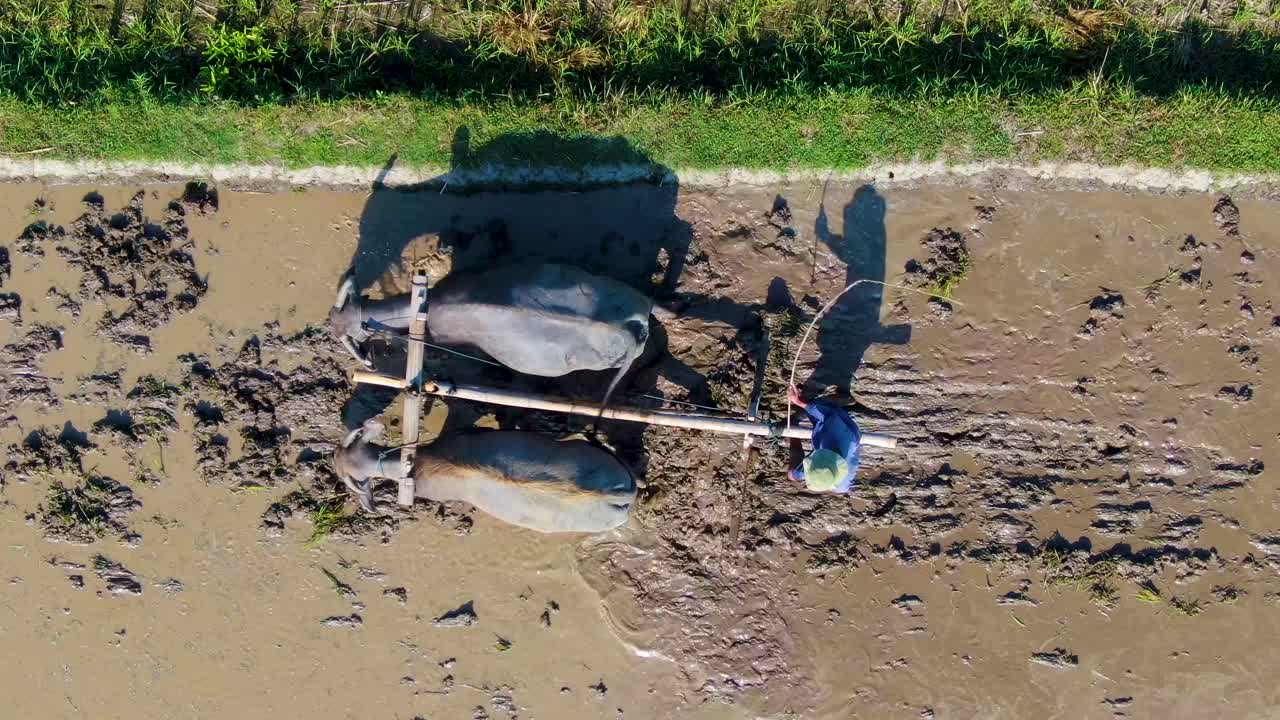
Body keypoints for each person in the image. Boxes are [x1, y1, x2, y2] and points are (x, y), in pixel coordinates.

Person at [787, 383, 861, 493]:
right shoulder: (839, 433)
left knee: (792, 475)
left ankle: (794, 425)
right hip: (836, 422)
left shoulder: (839, 485)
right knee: (817, 403)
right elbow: (827, 414)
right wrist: (800, 402)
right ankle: (838, 400)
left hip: (825, 440)